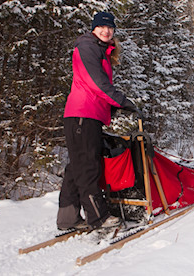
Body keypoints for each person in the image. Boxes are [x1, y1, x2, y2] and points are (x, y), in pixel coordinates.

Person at [57, 12, 139, 230]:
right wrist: (122, 101)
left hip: (86, 115)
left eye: (110, 28)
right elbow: (97, 83)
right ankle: (98, 217)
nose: (107, 31)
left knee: (77, 166)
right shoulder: (87, 47)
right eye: (102, 27)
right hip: (83, 115)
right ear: (93, 29)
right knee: (88, 167)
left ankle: (67, 217)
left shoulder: (101, 51)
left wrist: (113, 109)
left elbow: (98, 87)